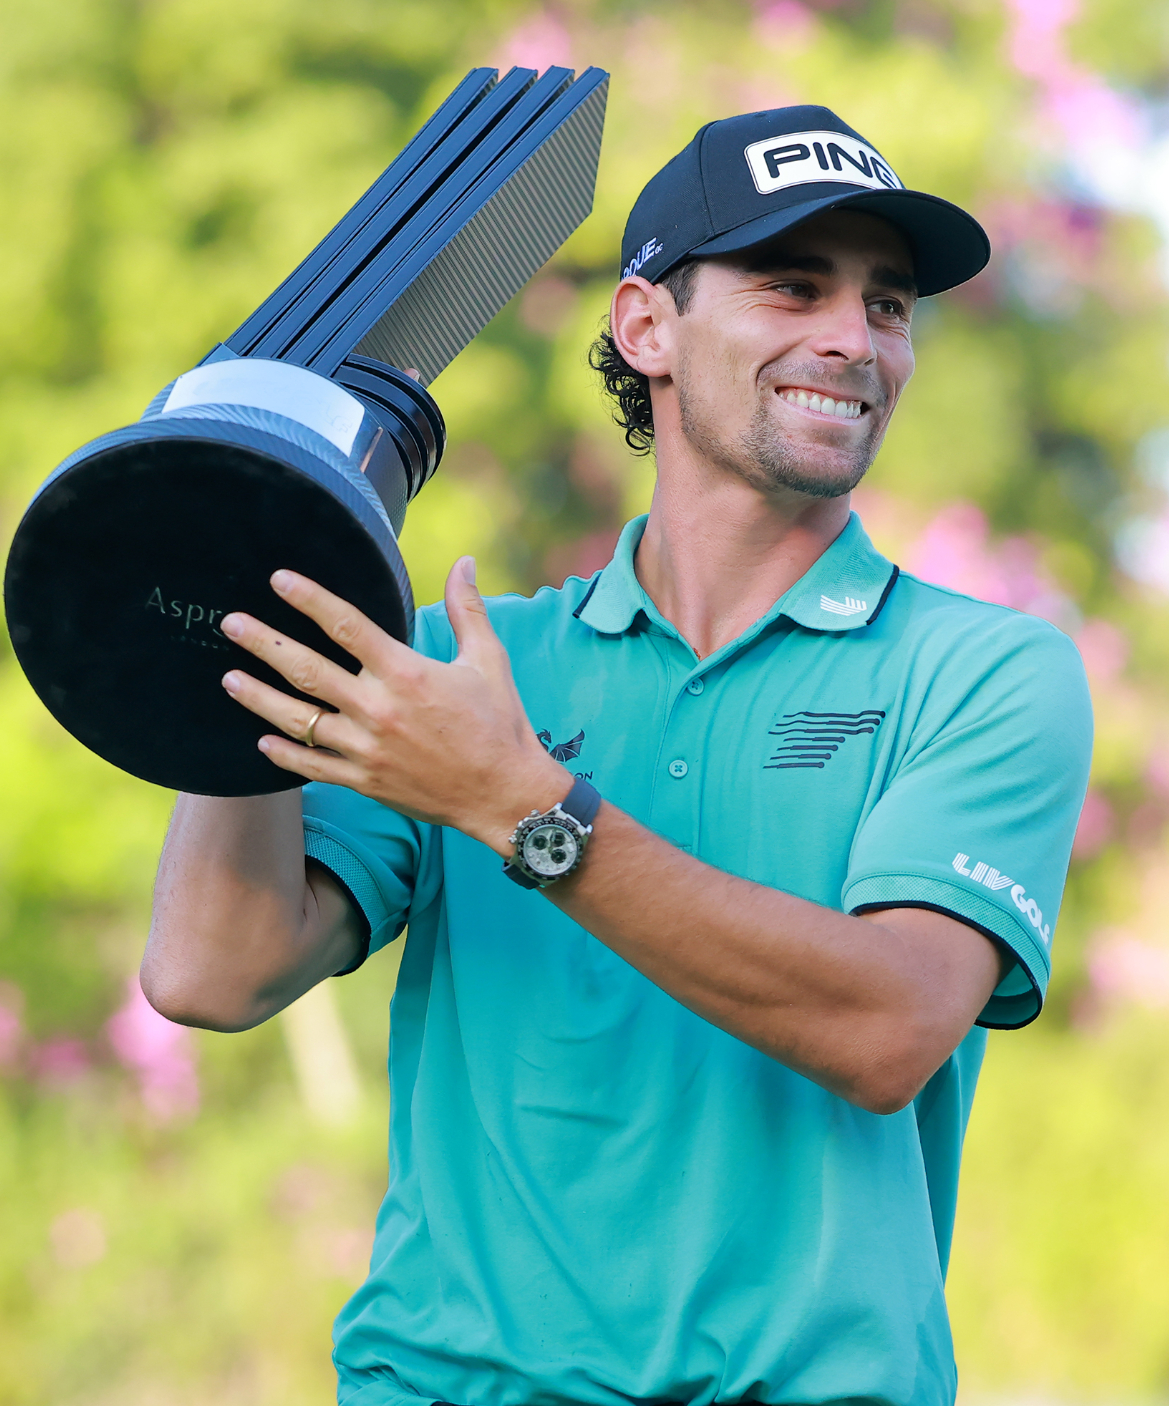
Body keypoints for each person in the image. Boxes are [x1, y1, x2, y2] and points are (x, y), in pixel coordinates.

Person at [142, 105, 1092, 1406]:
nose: (851, 338)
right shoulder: (476, 675)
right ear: (647, 327)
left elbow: (890, 1025)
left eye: (887, 306)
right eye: (790, 285)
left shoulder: (981, 671)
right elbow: (211, 965)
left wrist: (519, 802)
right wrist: (239, 575)